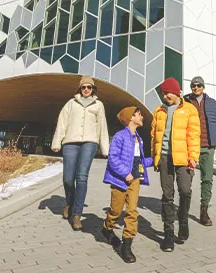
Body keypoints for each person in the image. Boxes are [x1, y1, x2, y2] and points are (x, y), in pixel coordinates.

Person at [51, 76, 109, 231]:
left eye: (89, 87)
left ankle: (77, 214)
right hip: (70, 142)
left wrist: (105, 148)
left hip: (89, 143)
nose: (86, 90)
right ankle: (70, 203)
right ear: (79, 89)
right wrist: (57, 142)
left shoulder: (98, 105)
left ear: (93, 89)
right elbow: (62, 122)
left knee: (81, 177)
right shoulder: (71, 104)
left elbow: (102, 126)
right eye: (83, 87)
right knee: (68, 178)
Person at [151, 77, 200, 252]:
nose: (165, 97)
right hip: (165, 157)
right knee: (167, 195)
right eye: (163, 94)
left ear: (176, 91)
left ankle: (183, 219)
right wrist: (155, 157)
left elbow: (194, 135)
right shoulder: (159, 110)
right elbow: (154, 136)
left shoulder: (189, 109)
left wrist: (194, 157)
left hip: (184, 159)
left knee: (185, 191)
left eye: (167, 93)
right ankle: (168, 234)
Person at [102, 106, 152, 263]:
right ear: (131, 118)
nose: (142, 117)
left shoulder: (139, 138)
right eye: (139, 114)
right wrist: (125, 173)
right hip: (120, 180)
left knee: (132, 211)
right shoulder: (120, 136)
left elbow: (139, 161)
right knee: (116, 211)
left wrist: (155, 162)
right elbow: (113, 158)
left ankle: (126, 245)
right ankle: (107, 228)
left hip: (135, 180)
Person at [184, 76, 216, 226]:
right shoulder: (185, 102)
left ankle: (204, 211)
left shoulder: (212, 103)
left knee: (207, 179)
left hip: (208, 146)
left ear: (203, 87)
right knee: (186, 180)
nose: (196, 88)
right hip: (189, 147)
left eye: (198, 85)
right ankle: (183, 210)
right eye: (193, 86)